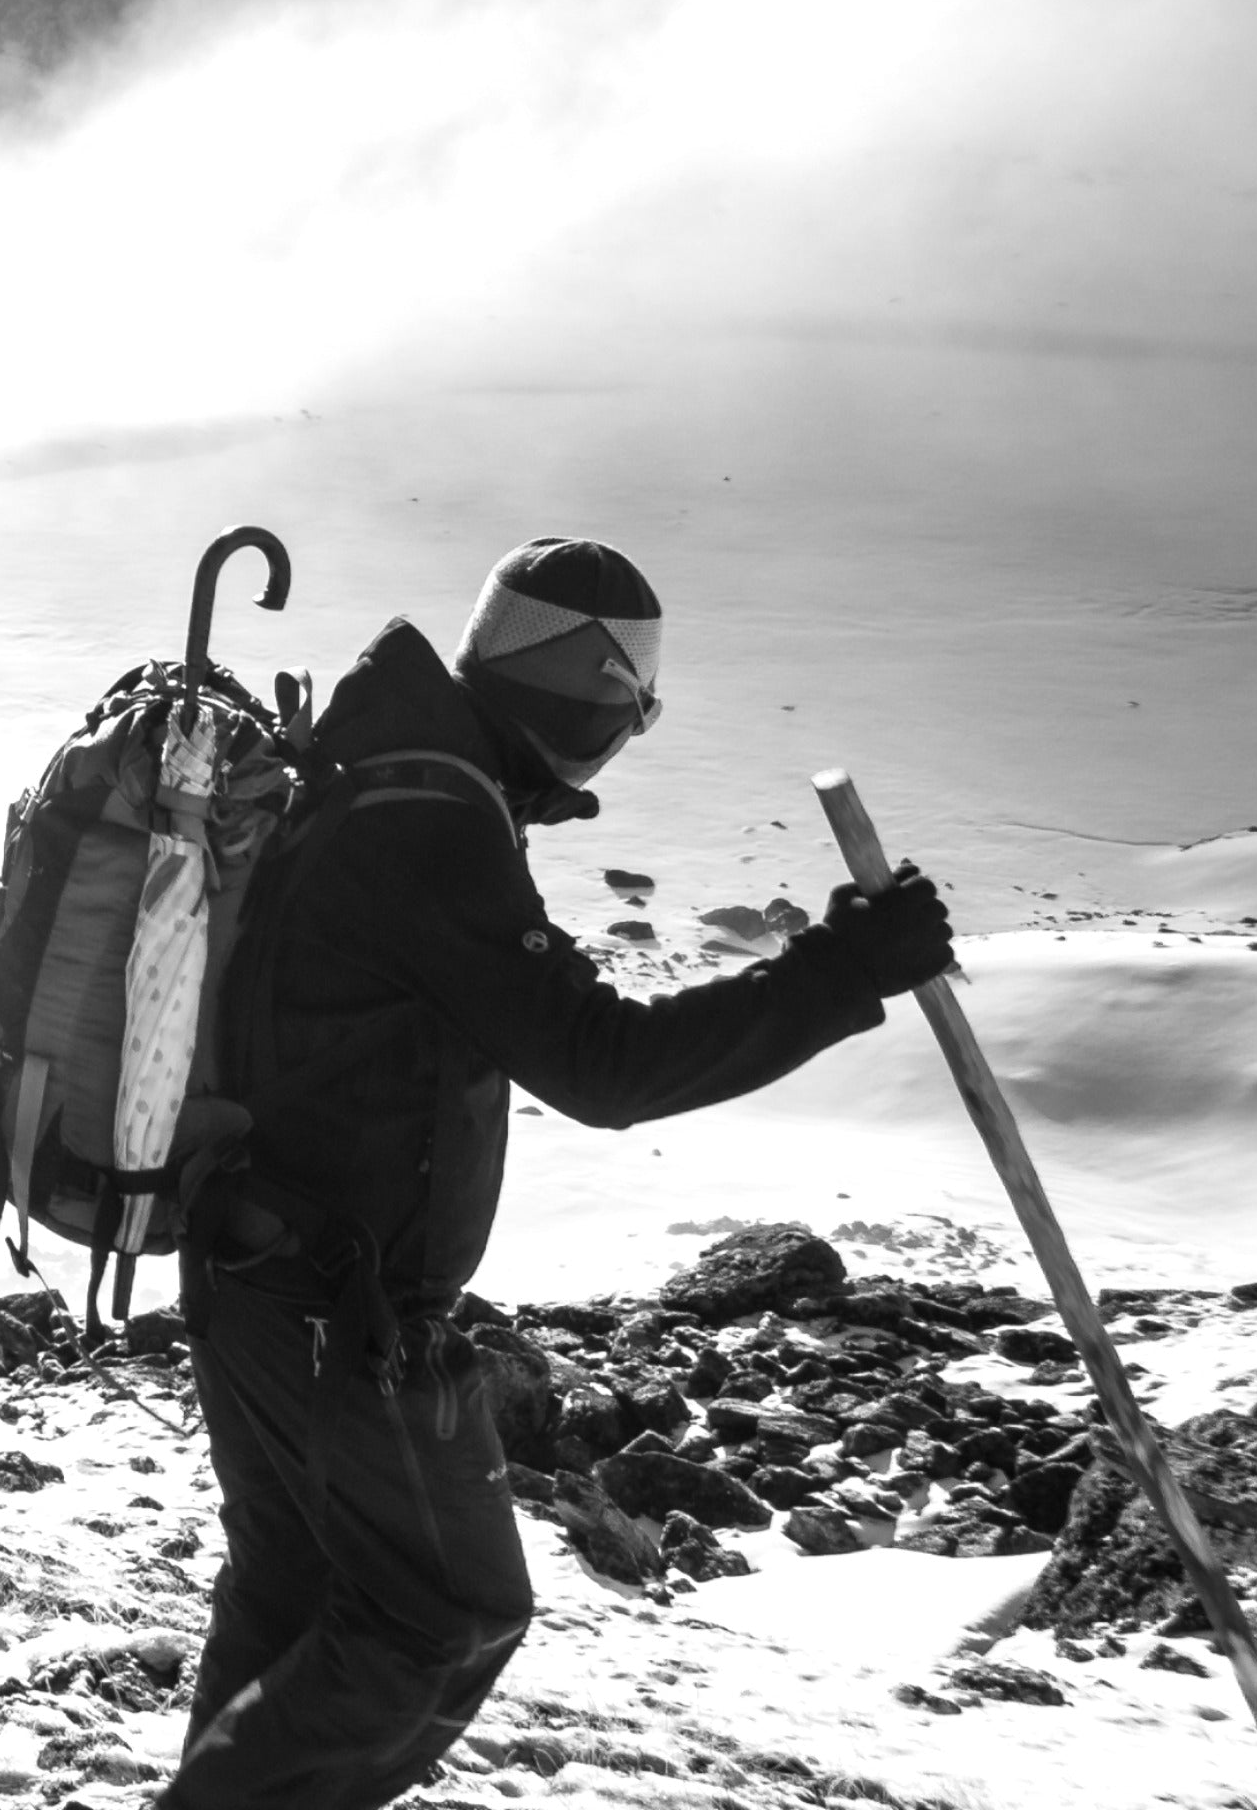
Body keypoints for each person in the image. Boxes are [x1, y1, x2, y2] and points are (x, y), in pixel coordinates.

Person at [160, 538, 957, 1810]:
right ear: (575, 686)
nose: (635, 720)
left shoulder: (389, 764)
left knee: (299, 1592)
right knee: (445, 1614)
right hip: (327, 1308)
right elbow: (604, 1065)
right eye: (627, 687)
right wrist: (834, 973)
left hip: (261, 1267)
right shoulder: (428, 821)